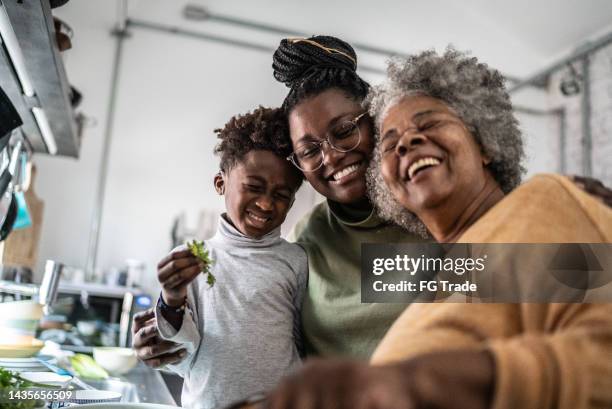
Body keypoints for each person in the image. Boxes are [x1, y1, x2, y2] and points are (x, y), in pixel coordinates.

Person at [263, 48, 612, 409]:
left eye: (428, 125)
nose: (407, 142)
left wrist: (422, 382)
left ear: (484, 141)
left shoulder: (531, 213)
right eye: (391, 144)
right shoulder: (444, 270)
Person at [132, 35, 426, 368]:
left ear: (376, 120)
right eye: (309, 151)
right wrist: (168, 332)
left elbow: (492, 310)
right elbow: (253, 337)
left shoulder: (435, 219)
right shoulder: (309, 239)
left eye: (344, 131)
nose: (331, 157)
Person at [153, 106, 308, 409]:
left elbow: (306, 345)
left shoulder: (297, 261)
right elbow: (178, 356)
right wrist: (172, 298)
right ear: (220, 183)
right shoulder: (190, 260)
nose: (265, 204)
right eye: (253, 187)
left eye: (281, 195)